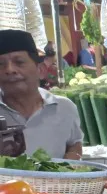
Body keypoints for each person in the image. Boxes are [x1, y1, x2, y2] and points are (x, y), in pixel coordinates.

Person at [0, 30, 83, 159]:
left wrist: (69, 166)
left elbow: (75, 143)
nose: (10, 70)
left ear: (40, 70)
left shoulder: (64, 108)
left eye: (19, 62)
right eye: (1, 64)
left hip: (50, 180)